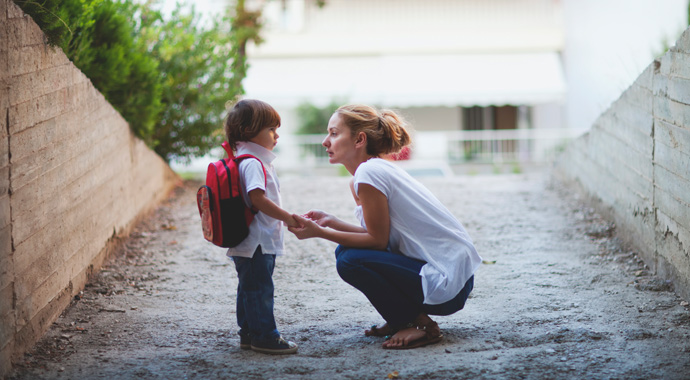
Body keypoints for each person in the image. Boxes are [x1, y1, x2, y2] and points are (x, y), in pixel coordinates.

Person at [288, 104, 482, 350]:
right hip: (451, 276)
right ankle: (400, 318)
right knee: (346, 252)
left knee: (349, 260)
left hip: (448, 282)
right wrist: (332, 222)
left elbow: (377, 242)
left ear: (359, 139)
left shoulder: (369, 173)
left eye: (334, 133)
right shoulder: (370, 172)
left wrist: (320, 233)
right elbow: (383, 236)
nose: (326, 141)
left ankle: (418, 325)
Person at [223, 99, 300, 355]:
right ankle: (265, 336)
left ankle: (248, 333)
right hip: (257, 240)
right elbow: (258, 199)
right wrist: (288, 217)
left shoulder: (245, 159)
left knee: (249, 288)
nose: (276, 135)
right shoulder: (254, 163)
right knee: (261, 289)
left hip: (249, 240)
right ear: (248, 131)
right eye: (271, 129)